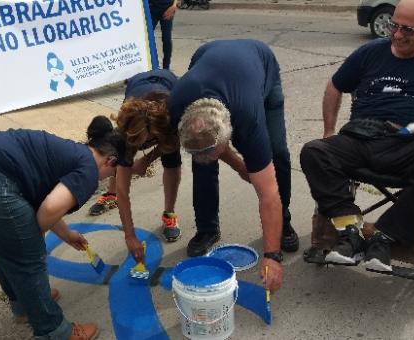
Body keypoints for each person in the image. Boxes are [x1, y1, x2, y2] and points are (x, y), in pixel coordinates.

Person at [300, 0, 414, 272]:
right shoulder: (370, 53)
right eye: (394, 25)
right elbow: (335, 85)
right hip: (364, 136)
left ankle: (385, 234)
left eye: (408, 30)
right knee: (314, 151)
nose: (398, 35)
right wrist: (329, 131)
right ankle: (348, 228)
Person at [0, 116, 125, 340]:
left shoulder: (71, 151)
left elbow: (44, 203)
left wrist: (66, 234)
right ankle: (54, 331)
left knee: (2, 246)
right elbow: (48, 211)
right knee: (28, 257)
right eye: (112, 173)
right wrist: (31, 242)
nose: (107, 178)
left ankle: (24, 305)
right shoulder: (88, 170)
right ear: (110, 161)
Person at [168, 39, 295, 293]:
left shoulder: (248, 118)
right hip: (207, 55)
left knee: (277, 152)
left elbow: (267, 194)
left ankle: (284, 221)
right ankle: (207, 229)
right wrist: (239, 166)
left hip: (261, 64)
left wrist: (272, 256)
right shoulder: (177, 104)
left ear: (230, 134)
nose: (213, 155)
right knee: (202, 164)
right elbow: (207, 148)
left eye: (218, 150)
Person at [89, 69, 182, 261]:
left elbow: (173, 141)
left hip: (167, 85)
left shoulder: (171, 115)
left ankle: (169, 213)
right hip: (137, 86)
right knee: (121, 159)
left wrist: (147, 159)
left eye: (144, 141)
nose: (139, 146)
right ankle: (110, 194)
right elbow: (126, 190)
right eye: (135, 142)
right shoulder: (127, 125)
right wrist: (129, 235)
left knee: (171, 161)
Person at [149, 1, 177, 69]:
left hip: (168, 9)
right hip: (151, 8)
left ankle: (166, 68)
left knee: (166, 39)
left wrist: (174, 6)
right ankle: (148, 65)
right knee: (146, 38)